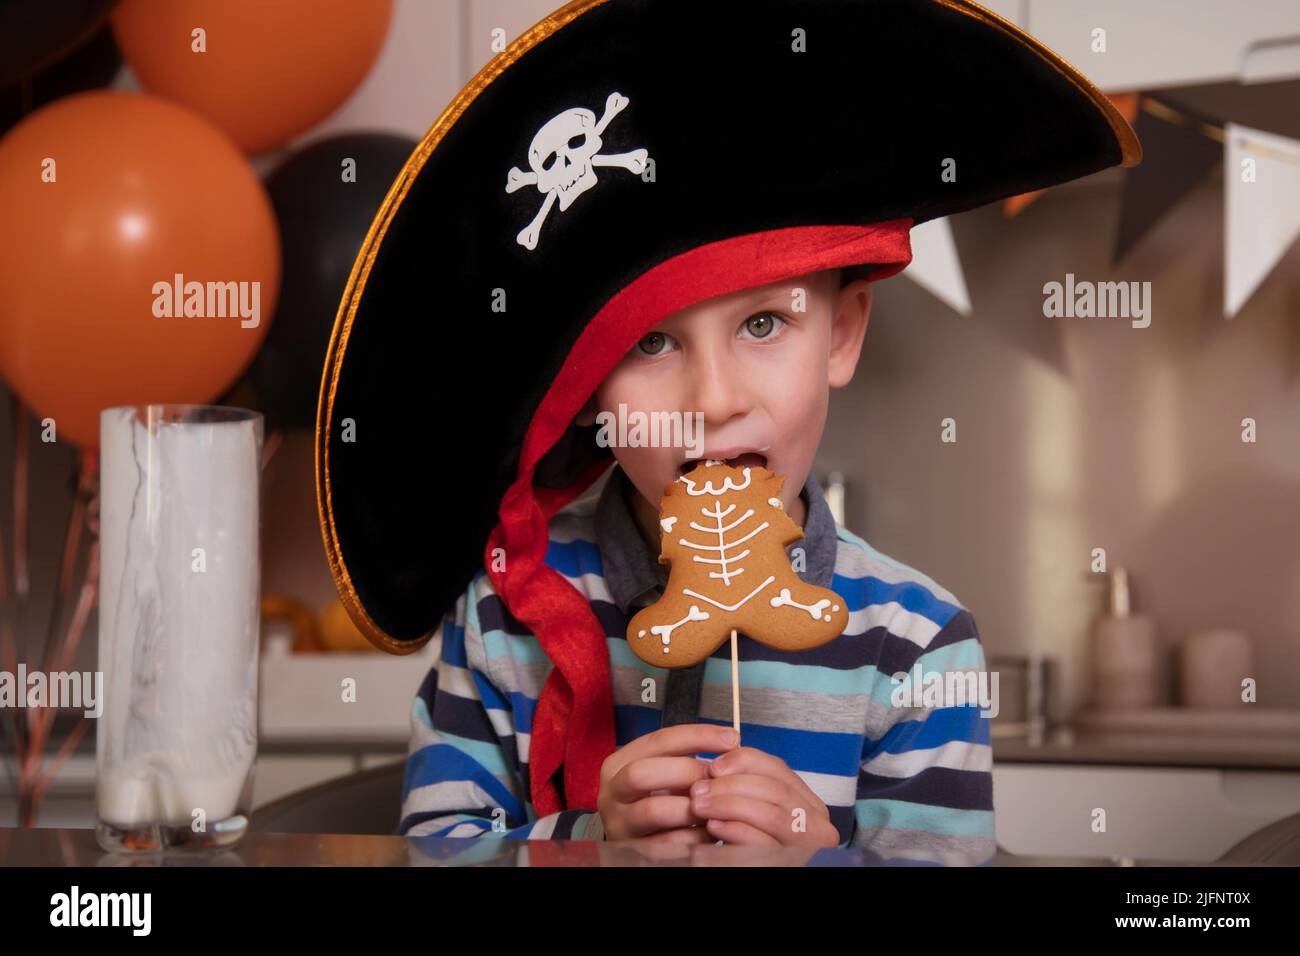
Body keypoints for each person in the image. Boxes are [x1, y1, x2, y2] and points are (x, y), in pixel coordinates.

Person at [313, 0, 1140, 863]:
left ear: (843, 333)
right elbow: (431, 850)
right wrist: (592, 841)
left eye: (761, 326)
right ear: (585, 383)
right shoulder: (501, 615)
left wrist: (820, 858)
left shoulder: (918, 645)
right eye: (650, 341)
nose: (713, 399)